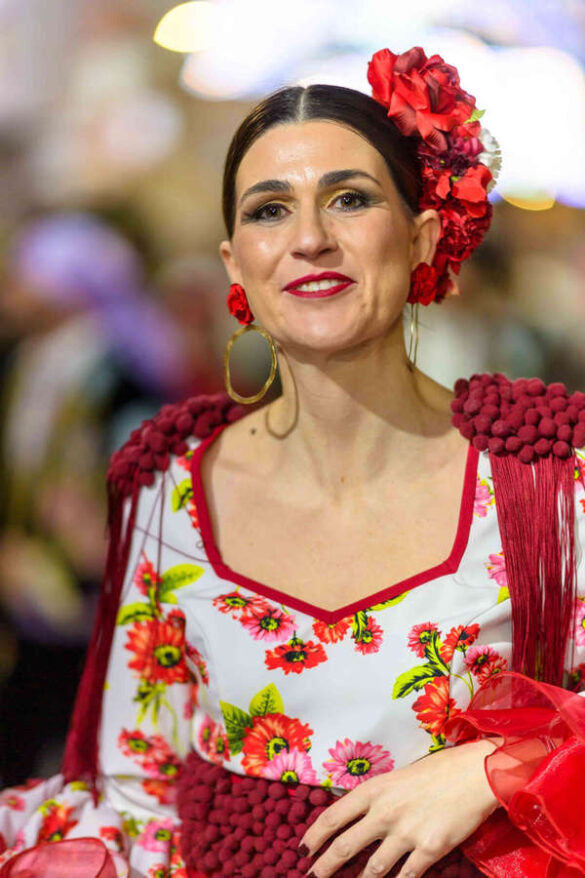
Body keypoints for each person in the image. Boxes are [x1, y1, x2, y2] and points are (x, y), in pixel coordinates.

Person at [1, 46, 584, 878]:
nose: (309, 239)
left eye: (350, 199)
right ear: (235, 263)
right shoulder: (172, 486)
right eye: (269, 210)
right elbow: (137, 795)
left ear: (421, 237)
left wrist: (501, 768)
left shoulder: (546, 477)